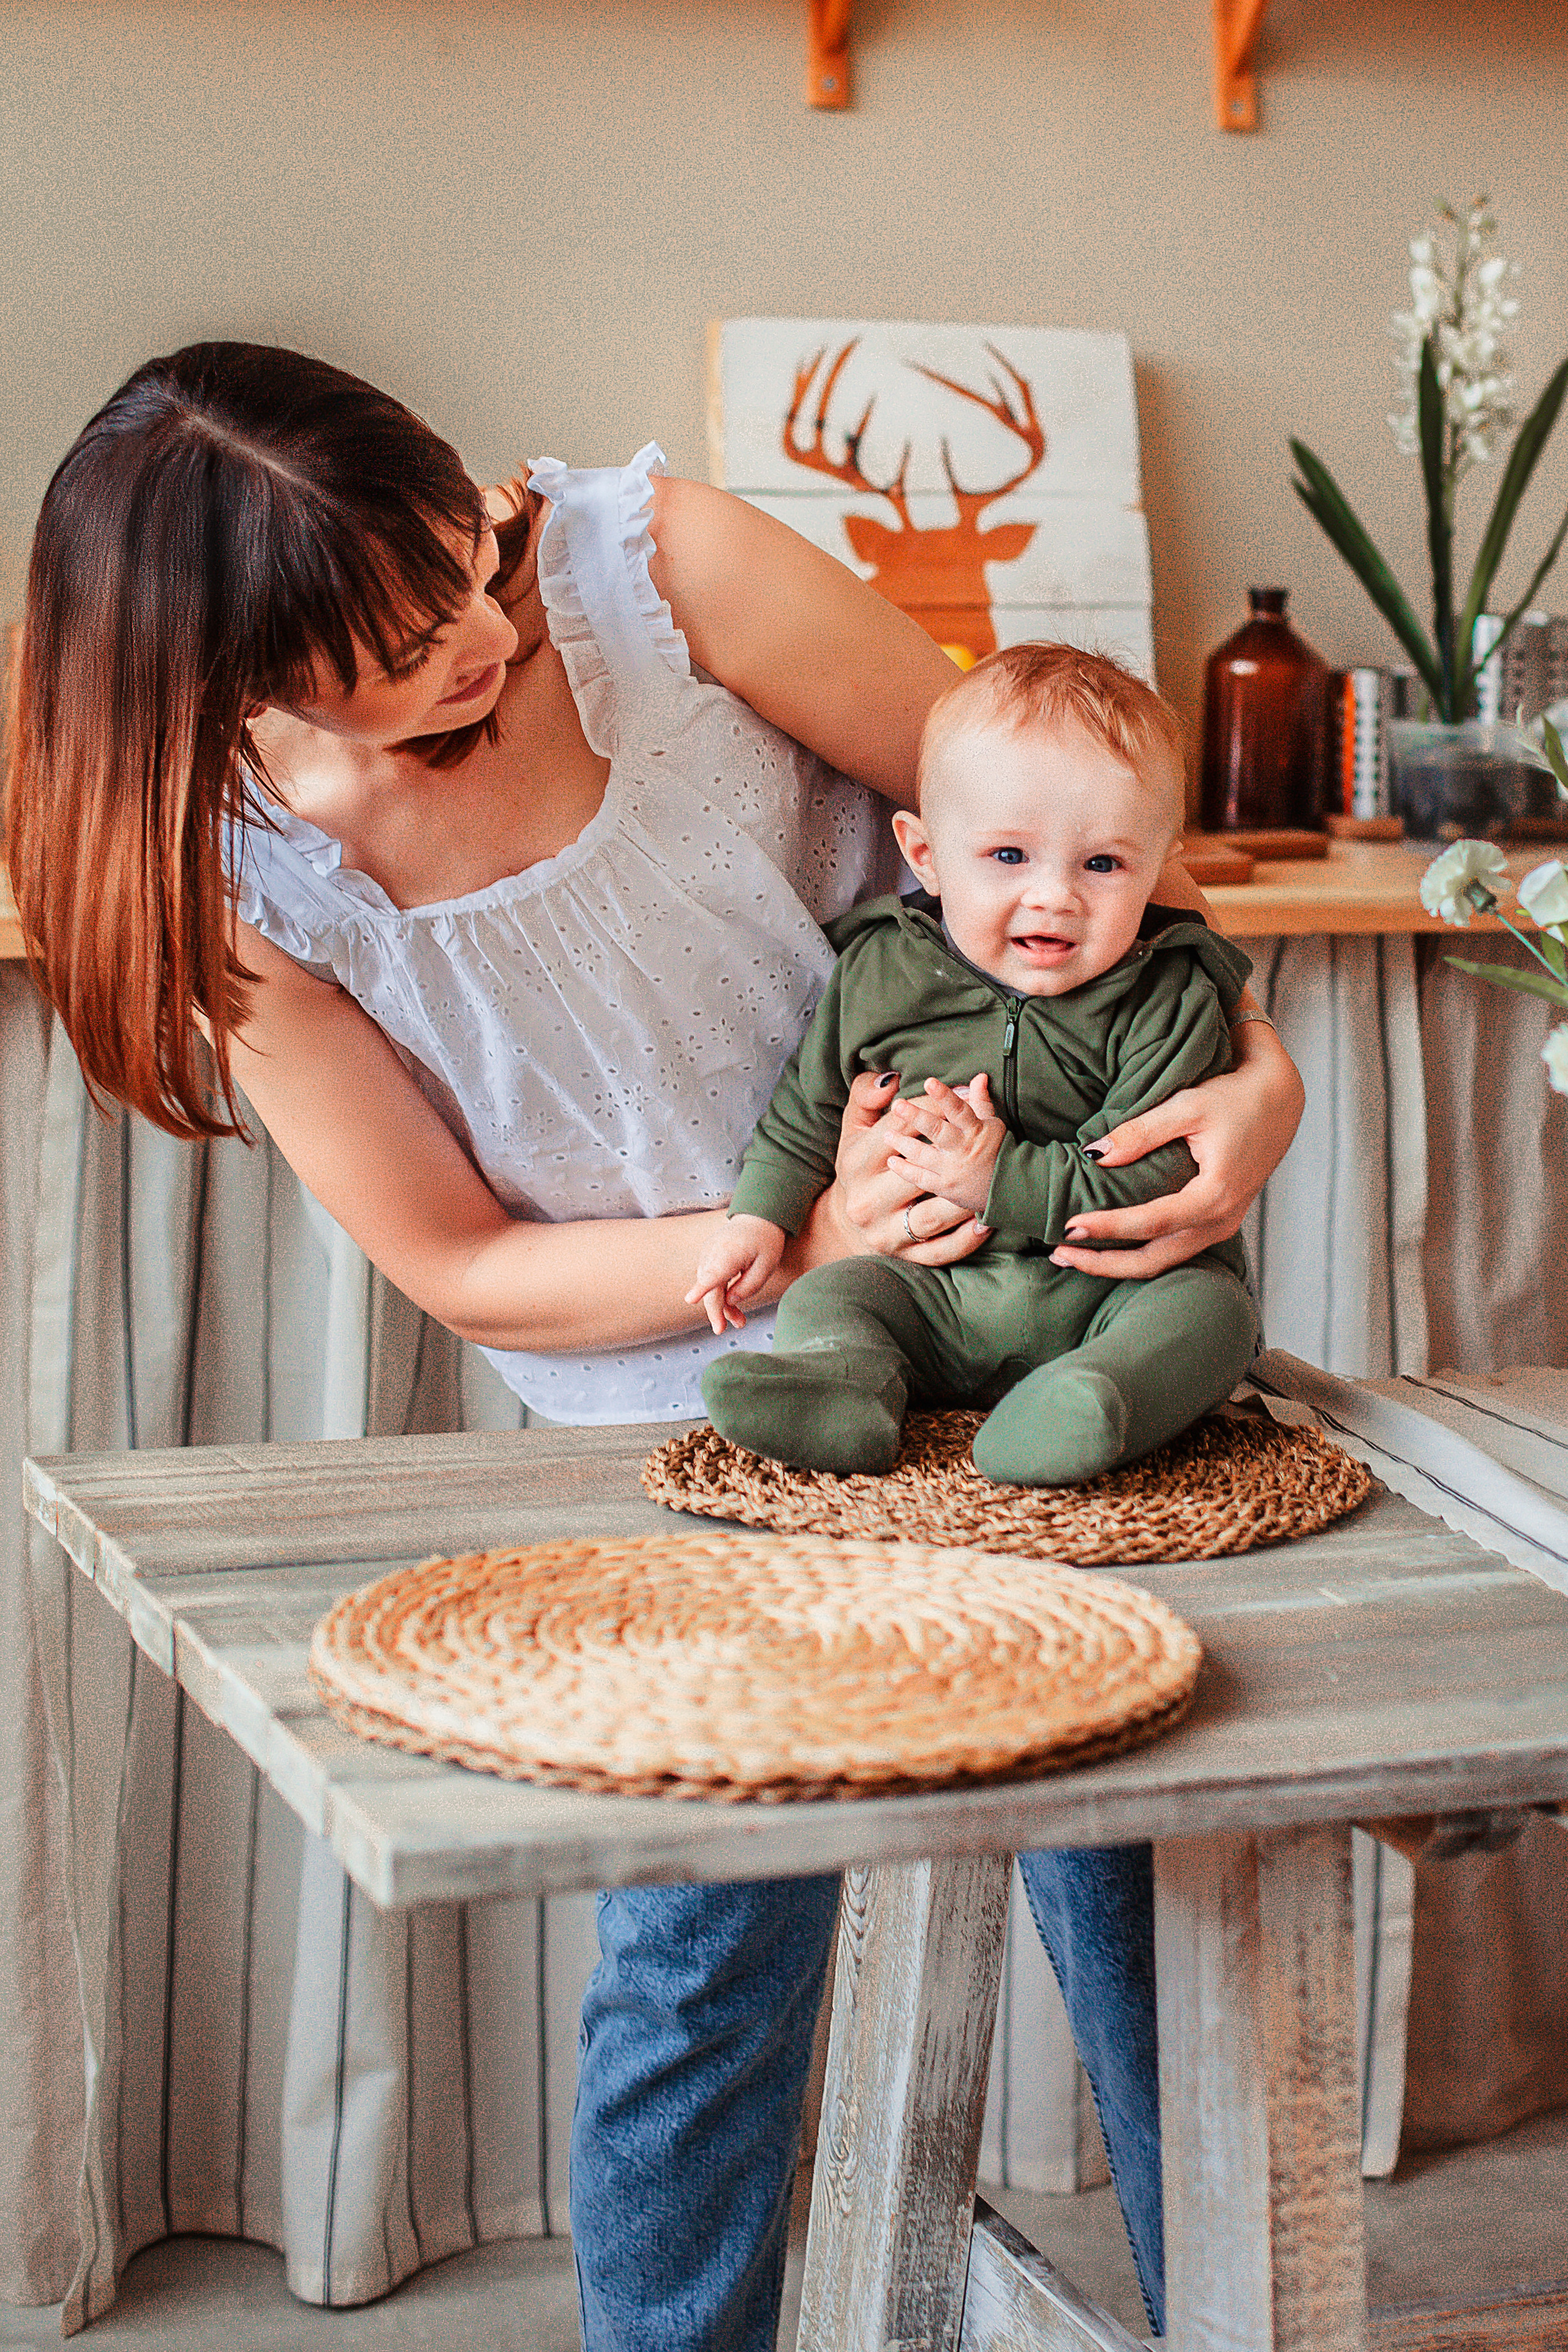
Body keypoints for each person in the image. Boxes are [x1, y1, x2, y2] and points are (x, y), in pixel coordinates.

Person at [6, 344, 1303, 2348]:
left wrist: (1262, 1081)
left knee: (1145, 1874)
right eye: (403, 640)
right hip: (696, 1422)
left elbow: (1065, 819)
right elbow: (457, 1262)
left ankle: (1234, 2312)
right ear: (241, 682)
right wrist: (781, 1243)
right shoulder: (240, 879)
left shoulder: (652, 567)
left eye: (474, 565)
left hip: (1036, 1316)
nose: (482, 632)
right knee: (707, 1953)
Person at [692, 642, 1260, 1487]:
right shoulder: (880, 969)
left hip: (1105, 1298)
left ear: (1158, 866)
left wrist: (996, 1173)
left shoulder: (1170, 996)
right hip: (932, 1295)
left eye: (1103, 864)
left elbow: (1153, 1180)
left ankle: (1092, 1401)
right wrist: (759, 1220)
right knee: (828, 1297)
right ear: (924, 855)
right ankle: (844, 1389)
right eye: (1008, 857)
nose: (1055, 896)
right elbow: (807, 1109)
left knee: (1213, 1315)